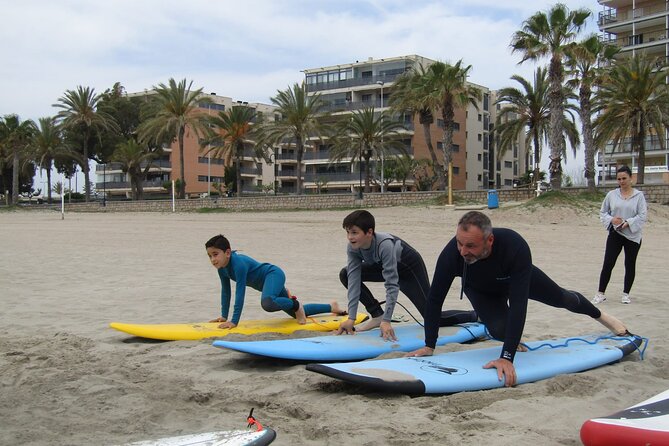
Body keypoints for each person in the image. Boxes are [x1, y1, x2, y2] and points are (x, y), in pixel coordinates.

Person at [407, 211, 630, 387]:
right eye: (459, 243)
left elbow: (519, 305)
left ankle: (602, 316)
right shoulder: (452, 255)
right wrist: (429, 344)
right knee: (499, 330)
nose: (463, 251)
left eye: (471, 246)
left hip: (515, 279)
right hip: (481, 290)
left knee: (563, 299)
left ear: (490, 240)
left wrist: (506, 357)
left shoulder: (514, 246)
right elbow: (434, 300)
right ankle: (496, 327)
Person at [335, 210, 477, 341]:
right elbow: (353, 280)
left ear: (369, 232)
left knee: (434, 318)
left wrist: (387, 320)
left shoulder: (385, 245)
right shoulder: (353, 248)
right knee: (345, 274)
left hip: (409, 269)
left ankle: (475, 315)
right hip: (382, 267)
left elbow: (391, 284)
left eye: (354, 232)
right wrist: (351, 318)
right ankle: (377, 314)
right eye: (348, 232)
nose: (350, 237)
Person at [205, 234, 343, 329]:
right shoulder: (221, 269)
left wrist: (234, 321)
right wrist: (224, 316)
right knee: (297, 314)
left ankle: (295, 303)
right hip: (269, 287)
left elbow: (240, 293)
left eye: (215, 254)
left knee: (268, 303)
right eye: (210, 256)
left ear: (227, 252)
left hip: (273, 275)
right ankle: (331, 306)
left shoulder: (238, 264)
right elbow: (226, 292)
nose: (212, 260)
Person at [592, 165, 647, 305]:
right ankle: (600, 293)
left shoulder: (639, 196)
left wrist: (628, 222)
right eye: (619, 179)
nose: (622, 181)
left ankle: (626, 294)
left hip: (633, 236)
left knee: (629, 264)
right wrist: (612, 220)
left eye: (624, 178)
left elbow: (642, 216)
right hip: (615, 233)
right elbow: (603, 212)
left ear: (631, 178)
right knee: (608, 263)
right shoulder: (611, 195)